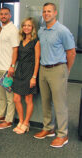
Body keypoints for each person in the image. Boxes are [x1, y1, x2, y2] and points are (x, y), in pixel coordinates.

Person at [34, 3, 76, 148]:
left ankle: (63, 134)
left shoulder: (62, 31)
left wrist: (66, 70)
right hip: (43, 70)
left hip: (58, 69)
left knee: (60, 104)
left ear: (55, 13)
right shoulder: (41, 31)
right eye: (44, 11)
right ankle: (48, 128)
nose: (46, 14)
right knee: (45, 101)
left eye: (49, 11)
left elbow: (71, 52)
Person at [0, 7, 19, 129]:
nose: (3, 16)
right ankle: (1, 115)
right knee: (1, 95)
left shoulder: (13, 30)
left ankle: (8, 120)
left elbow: (15, 49)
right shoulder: (2, 29)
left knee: (9, 97)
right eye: (1, 14)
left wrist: (12, 66)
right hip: (0, 66)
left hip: (8, 69)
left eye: (5, 14)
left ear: (10, 15)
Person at [12, 17, 40, 134]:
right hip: (19, 70)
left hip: (30, 71)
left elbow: (37, 60)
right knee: (16, 98)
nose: (26, 27)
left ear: (33, 28)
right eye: (24, 25)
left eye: (29, 25)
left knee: (28, 99)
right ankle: (21, 120)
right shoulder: (20, 40)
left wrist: (34, 77)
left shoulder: (36, 41)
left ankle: (26, 123)